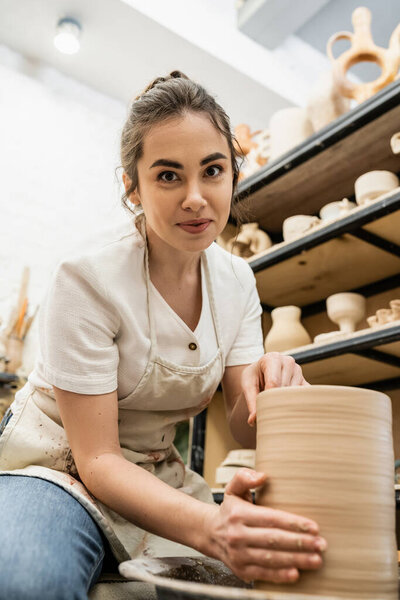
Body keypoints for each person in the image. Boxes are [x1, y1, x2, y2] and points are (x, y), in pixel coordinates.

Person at [0, 71, 327, 599]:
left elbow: (246, 428)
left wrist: (275, 388)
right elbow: (98, 461)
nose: (196, 198)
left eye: (213, 171)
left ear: (233, 177)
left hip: (156, 475)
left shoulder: (237, 281)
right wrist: (210, 525)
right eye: (169, 176)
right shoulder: (86, 278)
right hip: (56, 469)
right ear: (133, 187)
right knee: (26, 581)